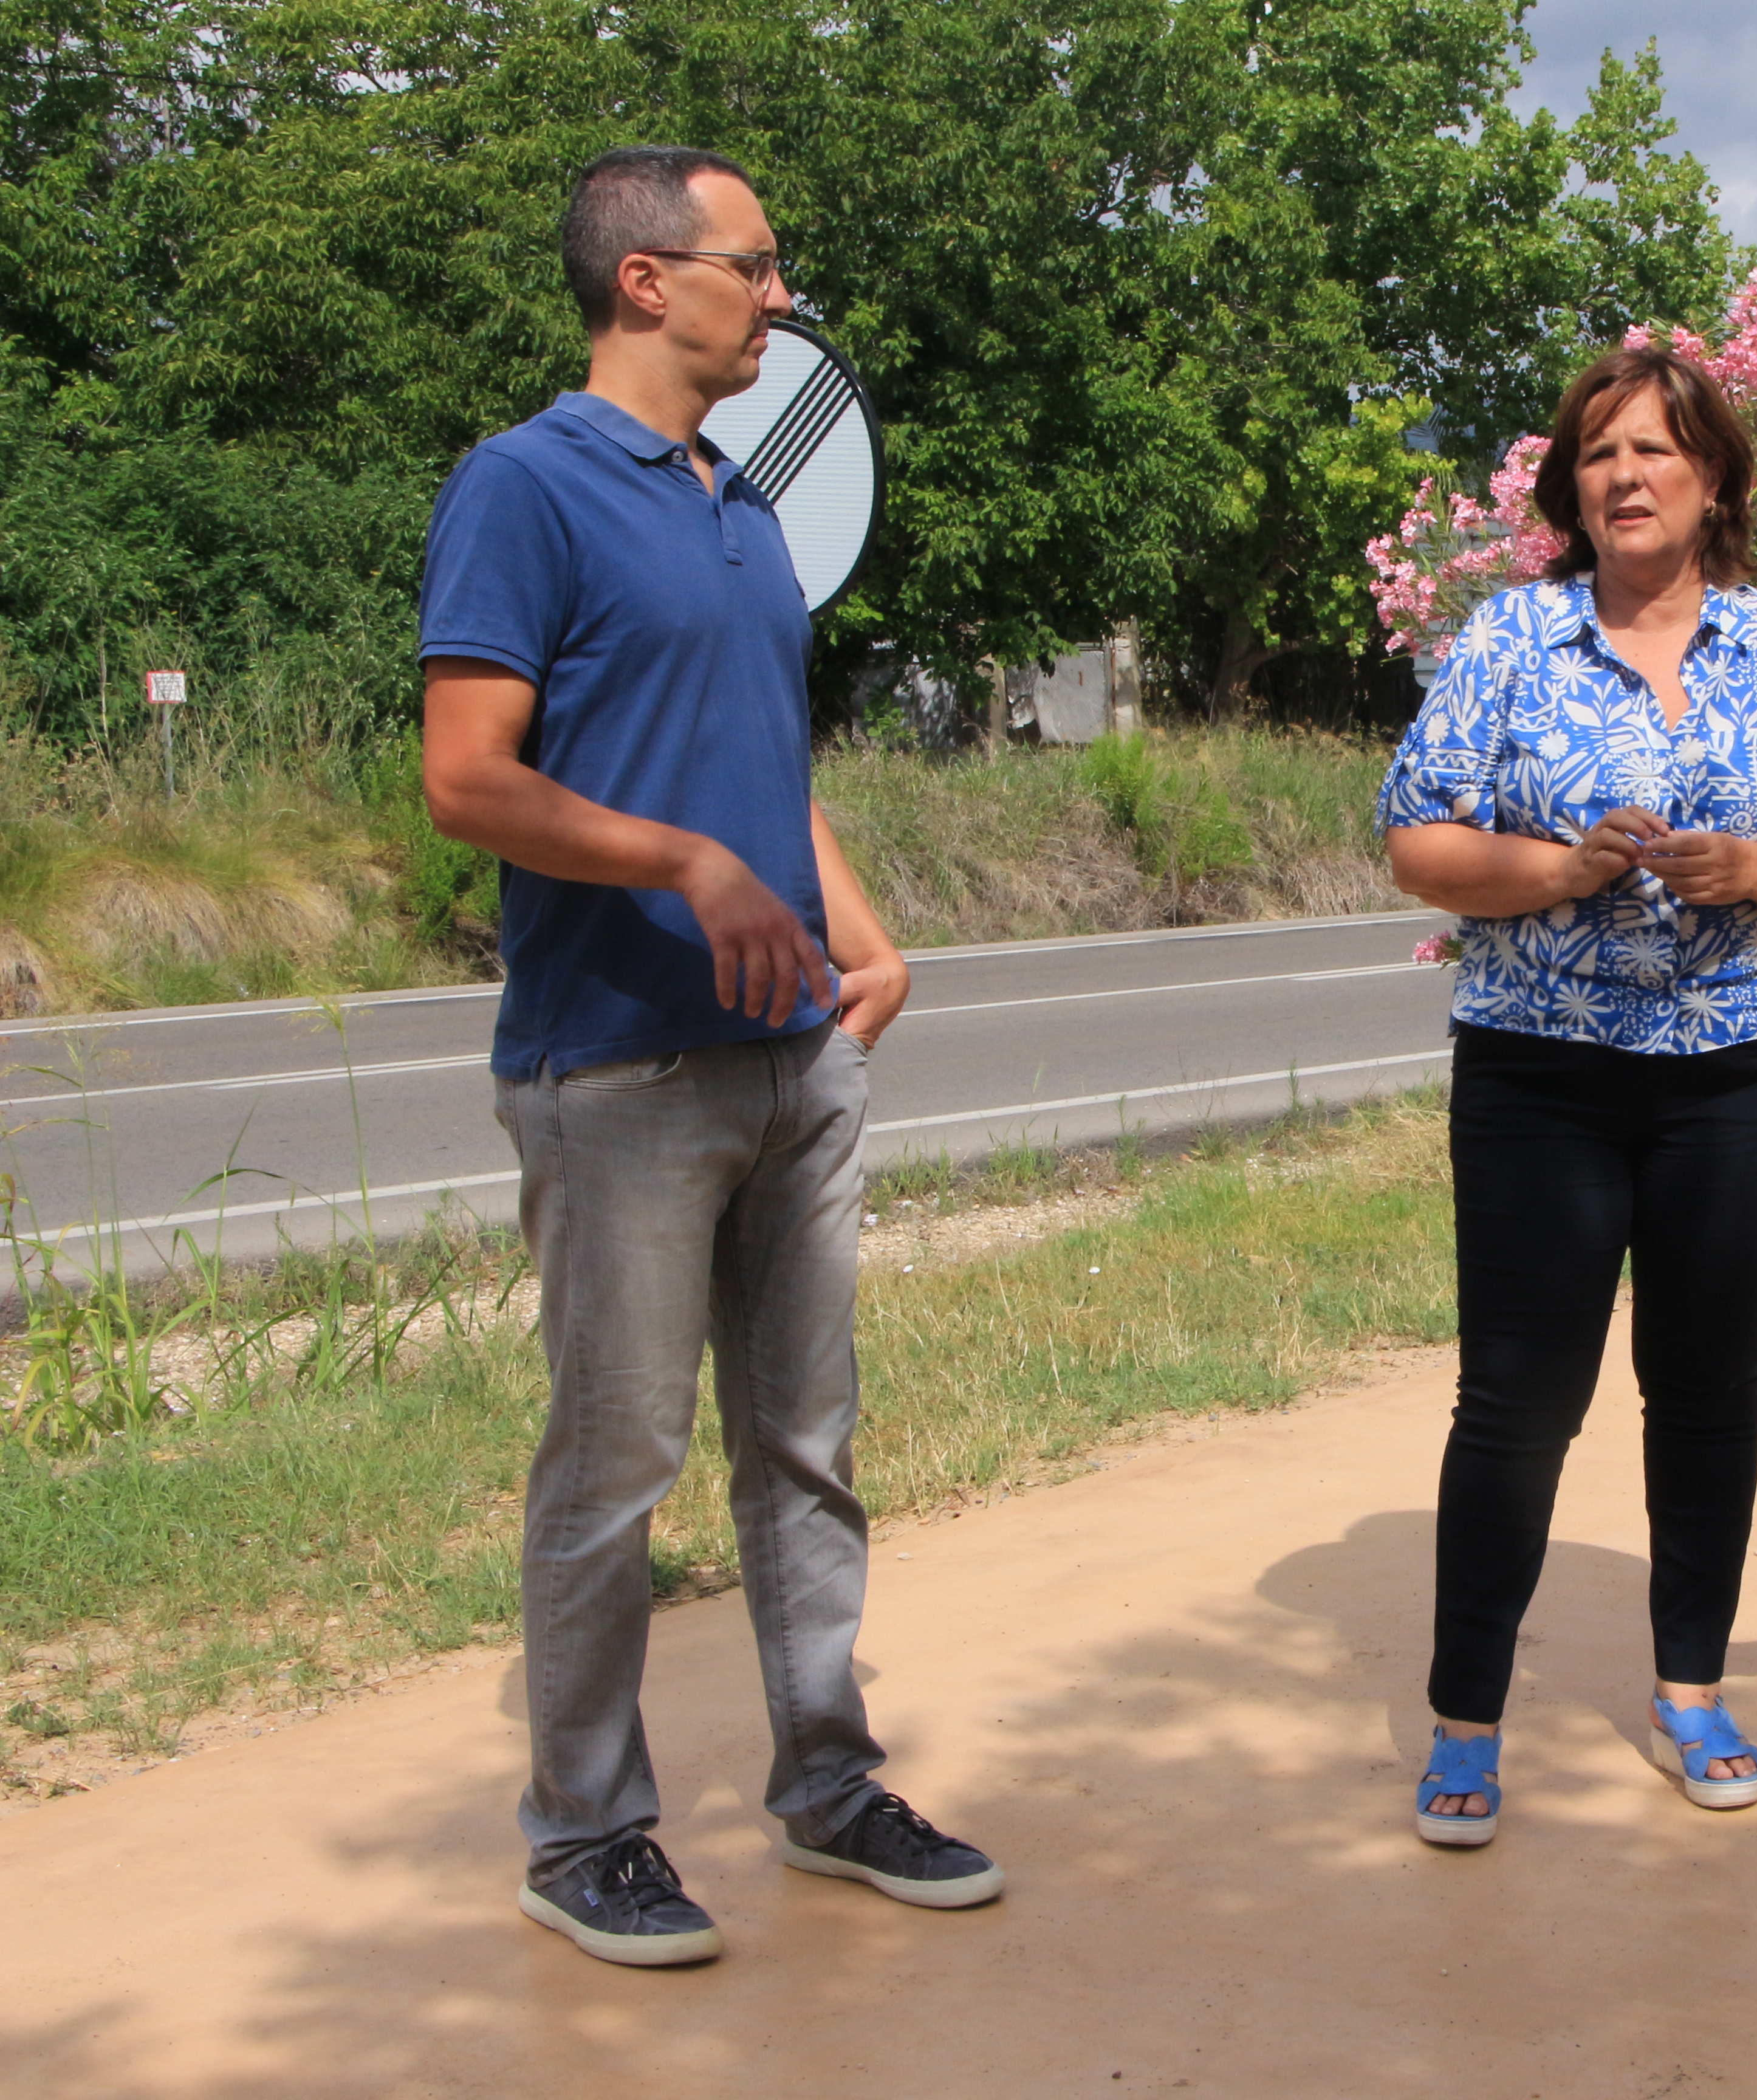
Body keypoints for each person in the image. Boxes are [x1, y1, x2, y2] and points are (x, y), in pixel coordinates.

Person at [420, 145, 1001, 1967]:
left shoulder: (743, 505)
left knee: (806, 1444)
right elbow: (466, 779)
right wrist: (678, 861)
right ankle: (584, 1831)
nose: (784, 295)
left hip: (792, 1063)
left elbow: (763, 762)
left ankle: (826, 1780)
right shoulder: (524, 489)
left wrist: (861, 921)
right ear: (648, 279)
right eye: (761, 265)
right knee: (615, 1470)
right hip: (617, 1069)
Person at [1378, 344, 1757, 1845]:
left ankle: (1692, 1692)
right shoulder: (1510, 639)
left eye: (1658, 452)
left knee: (1706, 1392)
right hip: (1541, 1070)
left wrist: (1755, 868)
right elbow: (1421, 839)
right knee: (1516, 1399)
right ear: (1571, 485)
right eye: (1600, 453)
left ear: (1717, 480)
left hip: (1744, 1071)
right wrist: (1561, 870)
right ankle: (1466, 1719)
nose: (1625, 476)